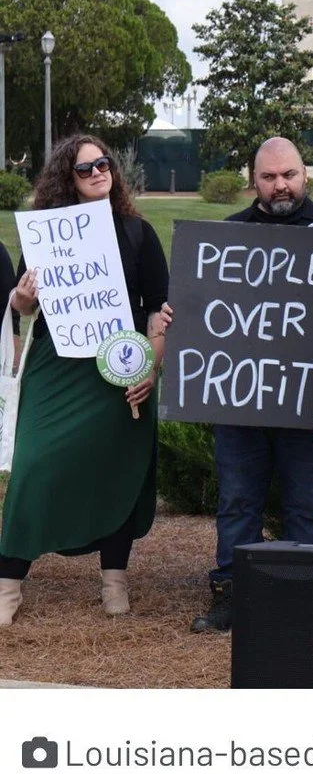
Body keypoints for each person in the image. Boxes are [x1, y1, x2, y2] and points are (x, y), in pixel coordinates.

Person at [190, 137, 313, 633]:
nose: (280, 184)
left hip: (310, 390)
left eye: (288, 174)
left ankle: (305, 601)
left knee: (307, 501)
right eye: (269, 176)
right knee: (237, 500)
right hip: (240, 395)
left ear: (304, 174)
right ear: (254, 181)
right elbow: (201, 302)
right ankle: (231, 596)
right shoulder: (229, 235)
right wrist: (180, 308)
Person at [0, 135, 169, 626]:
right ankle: (9, 581)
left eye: (104, 163)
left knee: (117, 469)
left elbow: (158, 310)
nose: (98, 172)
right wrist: (23, 297)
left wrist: (150, 369)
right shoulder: (44, 236)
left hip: (120, 366)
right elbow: (21, 308)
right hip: (57, 364)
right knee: (33, 465)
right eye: (85, 168)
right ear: (65, 179)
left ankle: (114, 579)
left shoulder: (138, 232)